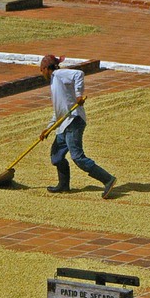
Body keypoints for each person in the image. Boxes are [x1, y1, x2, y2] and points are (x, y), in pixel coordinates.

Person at [39, 54, 117, 198]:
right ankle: (63, 185)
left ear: (46, 68)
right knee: (56, 156)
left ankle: (108, 179)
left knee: (77, 157)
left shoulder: (59, 74)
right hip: (63, 123)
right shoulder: (54, 82)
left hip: (74, 121)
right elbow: (60, 110)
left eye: (41, 69)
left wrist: (78, 94)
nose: (41, 73)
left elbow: (79, 74)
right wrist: (49, 128)